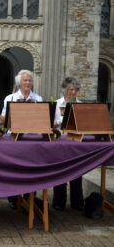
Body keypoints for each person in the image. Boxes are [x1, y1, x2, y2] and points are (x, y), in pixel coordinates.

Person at [0, 70, 43, 209]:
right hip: (15, 139)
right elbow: (2, 119)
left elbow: (42, 119)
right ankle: (13, 198)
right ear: (19, 83)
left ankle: (30, 196)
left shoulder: (38, 99)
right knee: (14, 168)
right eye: (25, 80)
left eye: (30, 80)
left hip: (32, 138)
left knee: (31, 169)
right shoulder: (10, 98)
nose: (28, 83)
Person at [52, 77, 84, 211]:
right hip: (60, 141)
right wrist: (60, 121)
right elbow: (51, 124)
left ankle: (77, 203)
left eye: (76, 90)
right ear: (65, 90)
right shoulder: (57, 104)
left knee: (77, 171)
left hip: (75, 142)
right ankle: (59, 202)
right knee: (60, 172)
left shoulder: (81, 104)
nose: (73, 92)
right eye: (71, 89)